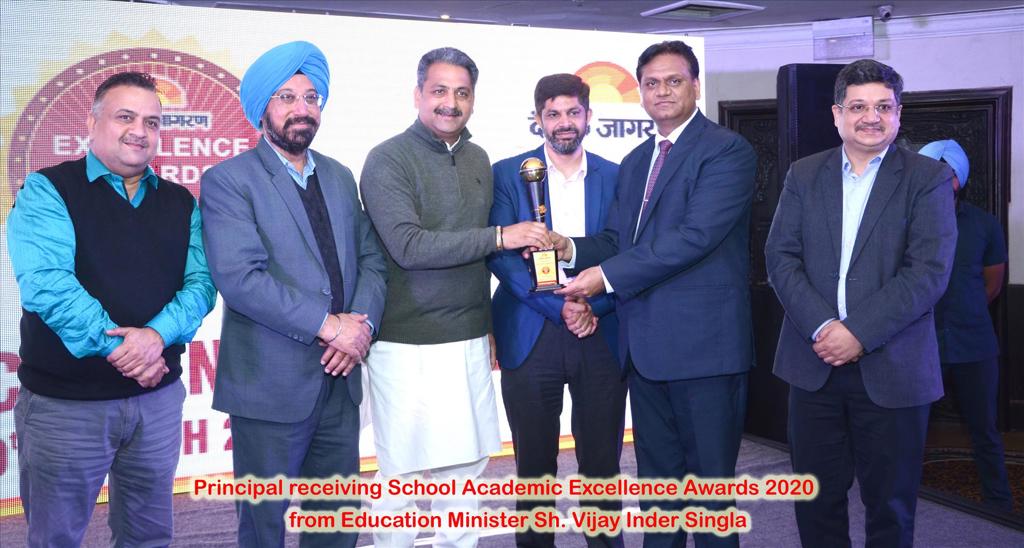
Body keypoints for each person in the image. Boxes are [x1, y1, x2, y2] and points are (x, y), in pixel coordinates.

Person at [553, 40, 757, 548]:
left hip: (705, 353)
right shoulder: (638, 158)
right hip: (645, 350)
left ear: (696, 86)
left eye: (674, 81)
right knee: (660, 496)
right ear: (640, 91)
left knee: (709, 499)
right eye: (651, 83)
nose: (662, 91)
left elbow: (693, 237)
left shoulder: (726, 150)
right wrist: (568, 247)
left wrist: (605, 277)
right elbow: (620, 240)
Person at [8, 71, 216, 546]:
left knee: (149, 536)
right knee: (55, 539)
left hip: (156, 401)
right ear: (93, 121)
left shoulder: (181, 202)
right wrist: (125, 351)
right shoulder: (48, 188)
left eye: (152, 122)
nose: (139, 131)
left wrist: (155, 338)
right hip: (66, 406)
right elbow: (48, 285)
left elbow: (202, 285)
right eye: (125, 117)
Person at [359, 46, 550, 548]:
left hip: (467, 338)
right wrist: (500, 236)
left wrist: (487, 326)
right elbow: (408, 247)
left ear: (473, 100)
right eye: (440, 90)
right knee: (401, 475)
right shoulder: (387, 158)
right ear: (417, 94)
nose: (451, 102)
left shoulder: (478, 158)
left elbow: (478, 261)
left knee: (465, 475)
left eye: (462, 92)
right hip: (405, 343)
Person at [199, 41, 387, 547]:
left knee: (337, 521)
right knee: (264, 526)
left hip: (340, 379)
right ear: (262, 109)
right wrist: (330, 327)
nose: (302, 109)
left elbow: (371, 260)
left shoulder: (340, 176)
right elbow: (241, 279)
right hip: (269, 385)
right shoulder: (228, 181)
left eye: (310, 98)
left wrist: (361, 326)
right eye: (286, 97)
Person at [765, 60, 957, 547]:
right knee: (816, 503)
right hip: (813, 364)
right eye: (858, 107)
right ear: (837, 114)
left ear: (898, 113)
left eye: (883, 107)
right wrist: (823, 326)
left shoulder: (928, 178)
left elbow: (927, 273)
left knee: (890, 507)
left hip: (894, 369)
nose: (871, 117)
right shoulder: (804, 174)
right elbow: (780, 258)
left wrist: (857, 333)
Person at [489, 73, 625, 548]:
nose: (563, 122)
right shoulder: (508, 172)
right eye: (553, 114)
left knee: (602, 466)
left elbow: (623, 249)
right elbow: (502, 256)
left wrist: (592, 304)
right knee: (534, 468)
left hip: (600, 329)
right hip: (531, 331)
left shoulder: (617, 175)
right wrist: (561, 307)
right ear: (538, 119)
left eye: (572, 112)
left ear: (588, 116)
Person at [918, 139, 1013, 513]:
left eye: (948, 175)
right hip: (920, 345)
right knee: (910, 429)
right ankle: (906, 500)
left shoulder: (985, 225)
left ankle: (999, 504)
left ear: (960, 179)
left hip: (974, 344)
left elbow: (993, 284)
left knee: (984, 430)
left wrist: (963, 311)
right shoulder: (904, 222)